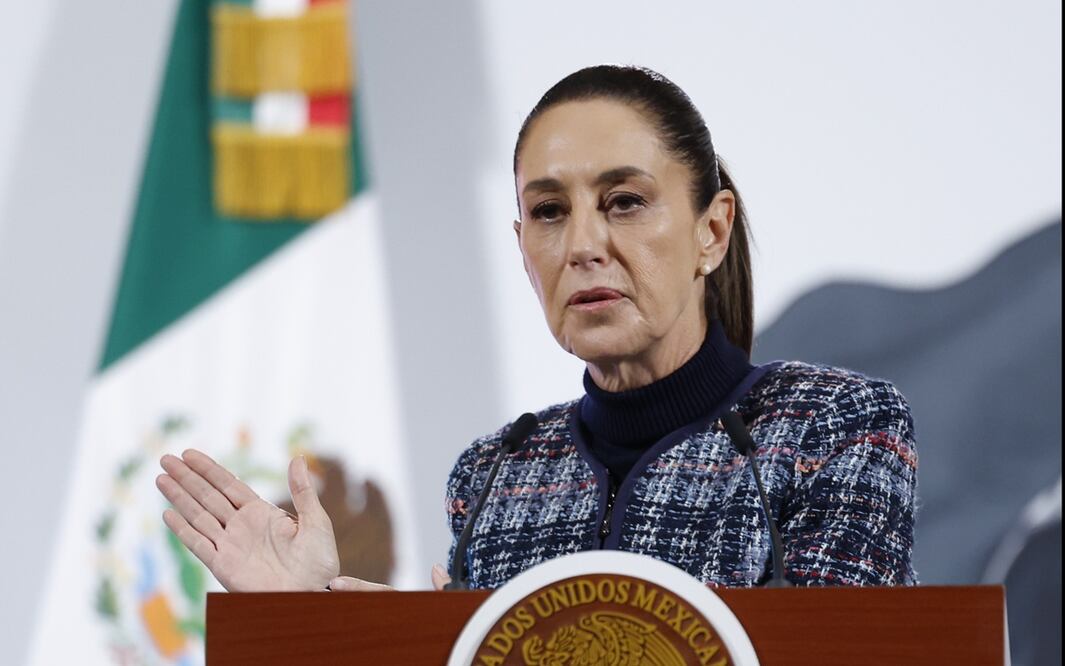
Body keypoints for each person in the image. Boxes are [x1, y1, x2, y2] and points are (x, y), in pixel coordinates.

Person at [156, 65, 918, 593]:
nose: (582, 245)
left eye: (624, 202)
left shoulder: (834, 429)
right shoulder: (494, 475)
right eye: (549, 211)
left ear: (711, 231)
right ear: (522, 246)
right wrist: (312, 621)